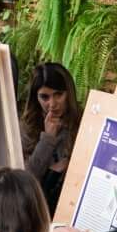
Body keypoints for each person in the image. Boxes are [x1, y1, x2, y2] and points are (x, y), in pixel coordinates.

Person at [22, 59, 80, 206]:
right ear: (36, 98)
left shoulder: (82, 121)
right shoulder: (28, 126)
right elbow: (25, 179)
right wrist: (47, 139)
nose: (52, 104)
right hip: (38, 206)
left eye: (58, 94)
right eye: (44, 97)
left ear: (69, 93)